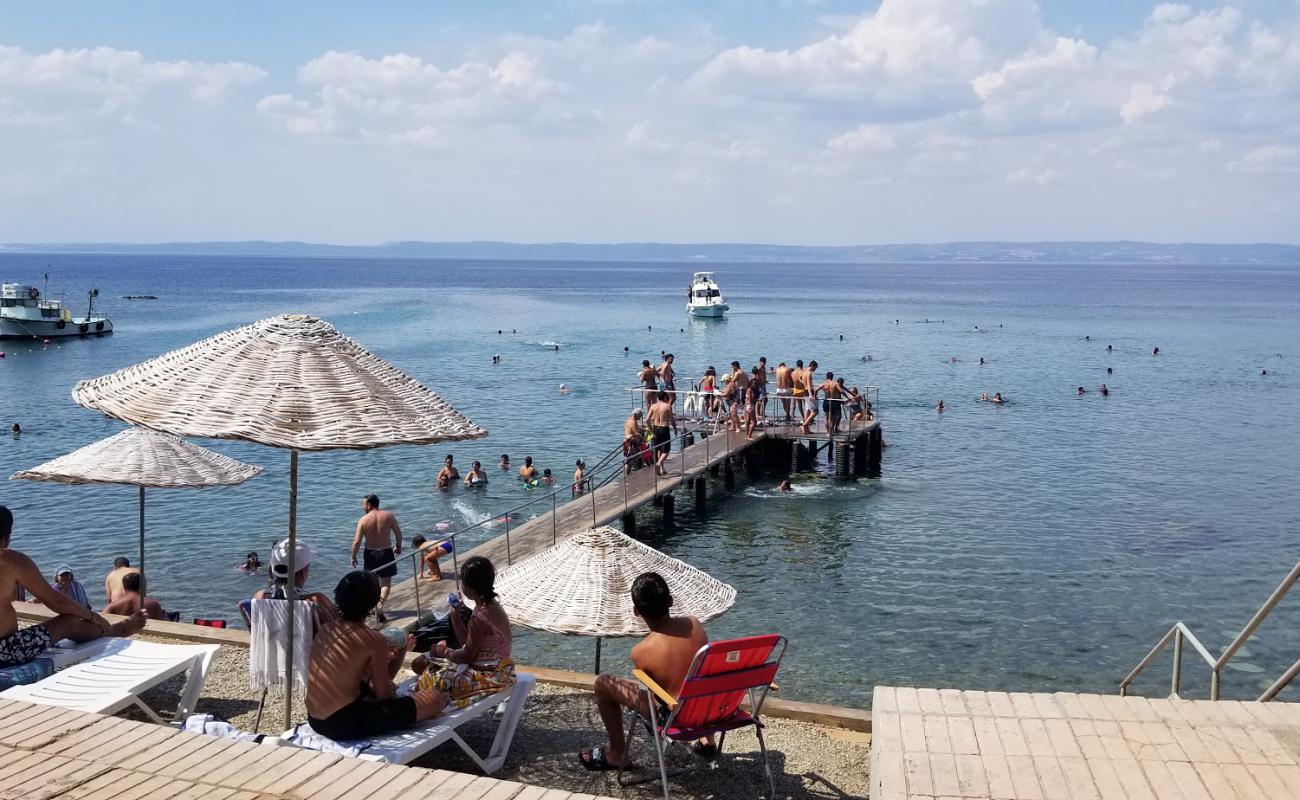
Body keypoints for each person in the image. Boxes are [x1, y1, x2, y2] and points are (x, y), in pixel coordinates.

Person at [579, 572, 711, 770]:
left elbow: (652, 697)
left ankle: (617, 754)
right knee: (691, 679)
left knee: (603, 684)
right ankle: (706, 740)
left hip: (676, 718)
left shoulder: (641, 651)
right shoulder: (695, 624)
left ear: (636, 612)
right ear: (671, 601)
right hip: (709, 710)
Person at [305, 571, 446, 741]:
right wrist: (391, 690)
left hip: (314, 718)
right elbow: (384, 697)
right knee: (434, 699)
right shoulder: (372, 639)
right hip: (341, 723)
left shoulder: (326, 629)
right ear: (371, 604)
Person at [0, 506, 144, 668]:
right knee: (68, 622)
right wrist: (92, 616)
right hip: (6, 650)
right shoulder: (12, 561)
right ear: (6, 538)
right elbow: (55, 602)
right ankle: (116, 630)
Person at [413, 556, 512, 671]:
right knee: (421, 663)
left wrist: (444, 651)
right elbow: (467, 642)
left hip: (488, 673)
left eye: (462, 582)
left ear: (468, 587)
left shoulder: (479, 617)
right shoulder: (490, 605)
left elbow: (467, 657)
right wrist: (455, 616)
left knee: (419, 664)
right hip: (496, 665)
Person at [248, 538, 337, 630]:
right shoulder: (317, 601)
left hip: (268, 644)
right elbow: (339, 628)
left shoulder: (260, 597)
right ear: (303, 572)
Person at [351, 494, 403, 624]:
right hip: (386, 552)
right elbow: (398, 533)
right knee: (385, 583)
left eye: (363, 504)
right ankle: (380, 605)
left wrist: (353, 556)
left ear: (369, 505)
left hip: (370, 554)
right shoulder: (389, 516)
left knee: (371, 583)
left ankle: (373, 606)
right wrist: (398, 546)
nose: (363, 506)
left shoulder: (363, 520)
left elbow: (357, 541)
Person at [647, 391, 677, 477]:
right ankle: (659, 462)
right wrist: (675, 429)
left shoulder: (653, 406)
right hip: (664, 429)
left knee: (658, 449)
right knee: (666, 450)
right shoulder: (667, 406)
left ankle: (661, 469)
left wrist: (651, 430)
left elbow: (647, 420)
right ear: (664, 397)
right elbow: (671, 420)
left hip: (656, 429)